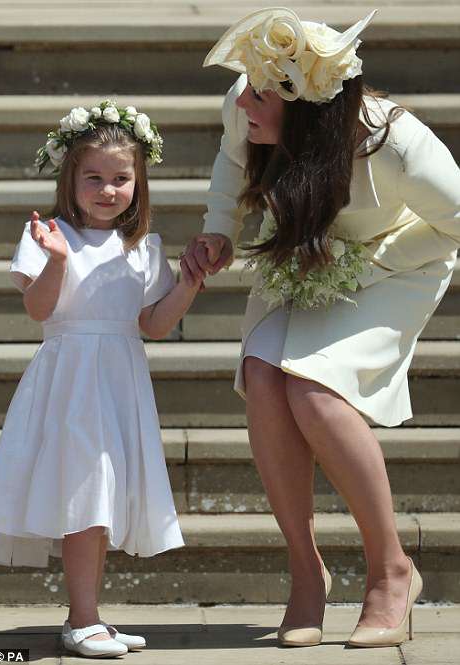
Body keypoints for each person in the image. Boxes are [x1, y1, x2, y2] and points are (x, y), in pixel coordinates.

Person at [181, 7, 460, 648]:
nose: (244, 100)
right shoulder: (247, 100)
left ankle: (392, 571)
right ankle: (306, 574)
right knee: (262, 374)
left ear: (304, 104)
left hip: (399, 262)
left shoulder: (392, 141)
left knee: (315, 391)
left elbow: (452, 225)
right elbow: (232, 158)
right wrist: (219, 230)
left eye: (259, 94)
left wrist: (362, 266)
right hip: (305, 247)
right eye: (247, 87)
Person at [0, 101, 201, 658]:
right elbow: (38, 309)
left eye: (121, 178)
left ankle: (88, 617)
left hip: (119, 381)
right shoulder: (47, 234)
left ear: (139, 181)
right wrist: (57, 260)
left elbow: (152, 324)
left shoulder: (144, 247)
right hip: (72, 383)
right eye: (94, 177)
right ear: (71, 177)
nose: (108, 189)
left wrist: (189, 284)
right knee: (86, 496)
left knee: (102, 499)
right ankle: (82, 618)